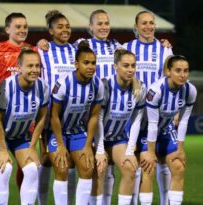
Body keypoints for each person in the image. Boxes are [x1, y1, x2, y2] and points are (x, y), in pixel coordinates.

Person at [123, 10, 173, 205]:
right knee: (134, 161)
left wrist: (173, 111)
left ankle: (165, 201)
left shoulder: (165, 50)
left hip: (158, 114)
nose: (148, 26)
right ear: (136, 27)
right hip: (132, 114)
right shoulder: (126, 47)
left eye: (151, 23)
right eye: (144, 23)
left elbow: (171, 80)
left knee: (162, 159)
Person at [0, 12, 37, 204]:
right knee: (0, 164)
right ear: (7, 29)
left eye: (25, 26)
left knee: (26, 166)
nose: (23, 30)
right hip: (0, 117)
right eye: (18, 26)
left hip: (26, 118)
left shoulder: (33, 50)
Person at [48, 41, 103, 205]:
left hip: (78, 131)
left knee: (87, 168)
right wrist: (60, 145)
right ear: (76, 64)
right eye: (86, 63)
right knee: (62, 168)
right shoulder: (63, 83)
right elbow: (54, 116)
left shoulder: (97, 84)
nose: (90, 67)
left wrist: (88, 145)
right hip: (58, 132)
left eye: (93, 63)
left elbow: (94, 116)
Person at [0, 48, 48, 205]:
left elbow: (41, 118)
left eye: (37, 66)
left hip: (21, 136)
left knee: (31, 169)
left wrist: (31, 147)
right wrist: (3, 150)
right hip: (0, 136)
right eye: (30, 66)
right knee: (5, 169)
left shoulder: (42, 87)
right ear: (19, 67)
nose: (35, 70)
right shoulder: (6, 87)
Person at [137, 55, 196, 205]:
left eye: (185, 71)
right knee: (148, 168)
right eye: (178, 71)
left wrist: (180, 149)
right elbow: (151, 123)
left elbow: (183, 121)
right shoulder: (156, 90)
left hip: (165, 129)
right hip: (145, 130)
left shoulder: (190, 90)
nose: (182, 75)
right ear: (168, 71)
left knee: (178, 167)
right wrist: (150, 152)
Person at [91, 49, 146, 205]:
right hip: (96, 138)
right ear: (115, 66)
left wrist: (129, 151)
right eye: (126, 65)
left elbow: (137, 119)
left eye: (133, 66)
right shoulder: (104, 85)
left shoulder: (139, 88)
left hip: (117, 138)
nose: (130, 70)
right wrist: (100, 150)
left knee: (130, 169)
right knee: (99, 169)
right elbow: (98, 119)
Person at [37, 10, 77, 205]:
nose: (65, 30)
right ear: (50, 31)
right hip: (50, 114)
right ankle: (42, 202)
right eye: (60, 27)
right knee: (46, 159)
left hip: (73, 115)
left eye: (68, 26)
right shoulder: (43, 50)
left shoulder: (76, 49)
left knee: (70, 162)